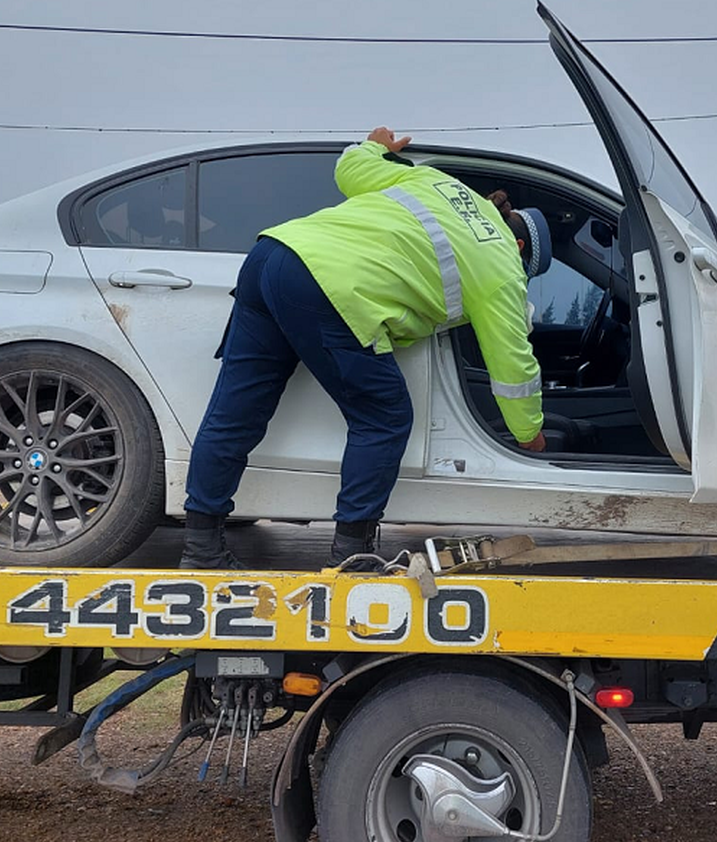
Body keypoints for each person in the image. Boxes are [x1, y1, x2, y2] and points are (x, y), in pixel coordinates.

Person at [180, 127, 552, 569]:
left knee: (237, 411)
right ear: (521, 246)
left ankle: (201, 549)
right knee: (385, 416)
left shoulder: (441, 185)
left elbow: (351, 170)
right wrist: (529, 433)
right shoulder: (502, 265)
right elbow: (512, 364)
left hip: (272, 255)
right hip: (330, 286)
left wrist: (374, 145)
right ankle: (352, 555)